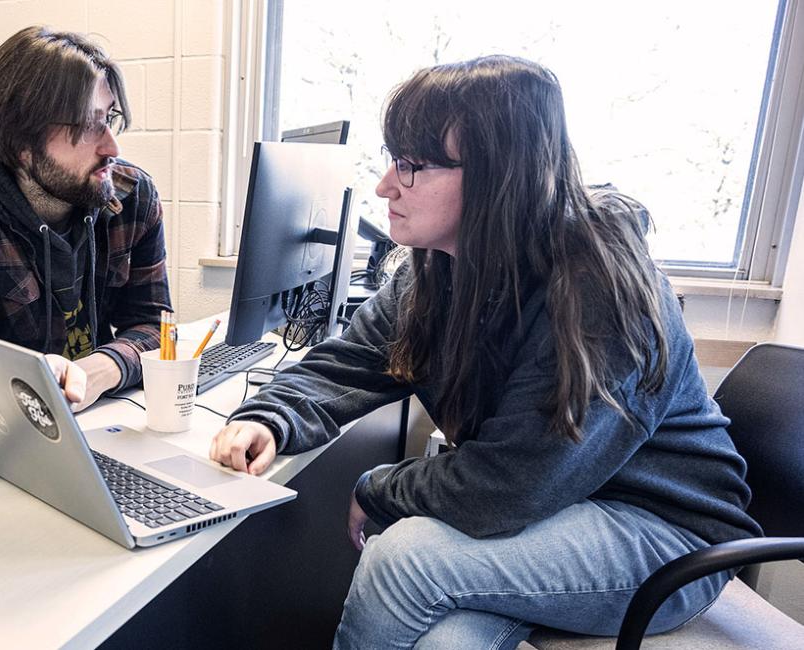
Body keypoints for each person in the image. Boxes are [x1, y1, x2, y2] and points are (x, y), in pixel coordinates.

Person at [209, 55, 761, 648]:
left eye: (411, 166)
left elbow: (510, 485)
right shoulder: (438, 271)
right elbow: (351, 361)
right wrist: (269, 416)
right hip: (545, 514)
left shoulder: (599, 287)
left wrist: (378, 488)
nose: (384, 186)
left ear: (501, 173)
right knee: (445, 640)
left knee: (405, 557)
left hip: (656, 533)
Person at [0, 26, 170, 410]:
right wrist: (30, 380)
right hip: (11, 435)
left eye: (109, 119)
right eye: (88, 126)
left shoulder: (130, 196)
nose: (112, 147)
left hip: (95, 415)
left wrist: (101, 368)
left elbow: (155, 327)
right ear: (21, 144)